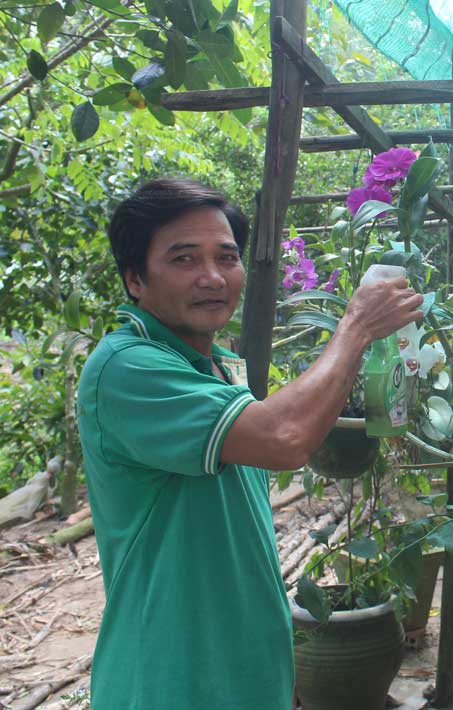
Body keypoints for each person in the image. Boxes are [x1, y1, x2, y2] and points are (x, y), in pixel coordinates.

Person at [77, 177, 423, 710]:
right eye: (184, 259)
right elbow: (285, 438)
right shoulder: (127, 368)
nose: (212, 277)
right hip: (172, 680)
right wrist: (355, 326)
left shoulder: (218, 366)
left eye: (226, 256)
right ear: (135, 280)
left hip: (245, 672)